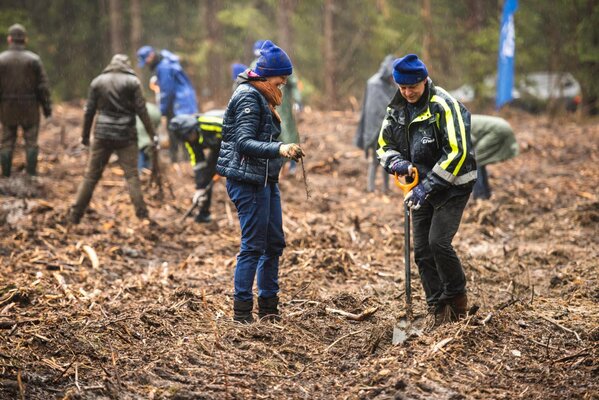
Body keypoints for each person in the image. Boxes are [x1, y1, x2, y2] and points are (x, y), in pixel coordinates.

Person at [376, 54, 477, 325]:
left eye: (413, 87)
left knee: (438, 242)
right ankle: (436, 307)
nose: (408, 93)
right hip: (418, 187)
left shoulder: (444, 104)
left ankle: (456, 299)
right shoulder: (395, 109)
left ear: (424, 81)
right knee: (422, 251)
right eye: (403, 87)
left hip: (453, 186)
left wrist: (427, 187)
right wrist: (396, 162)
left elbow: (458, 151)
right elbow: (383, 146)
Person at [217, 40, 304, 323]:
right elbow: (243, 143)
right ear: (267, 74)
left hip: (265, 179)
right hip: (247, 181)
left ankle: (269, 309)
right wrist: (279, 149)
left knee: (274, 243)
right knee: (253, 246)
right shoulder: (247, 97)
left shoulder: (263, 94)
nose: (284, 82)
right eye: (282, 77)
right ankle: (242, 313)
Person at [68, 54, 156, 225]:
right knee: (132, 176)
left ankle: (74, 216)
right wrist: (152, 135)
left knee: (90, 176)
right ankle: (143, 216)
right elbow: (142, 111)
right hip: (126, 136)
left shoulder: (98, 81)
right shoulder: (133, 82)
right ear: (126, 66)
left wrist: (85, 137)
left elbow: (89, 111)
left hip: (102, 135)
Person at [0, 24, 52, 177]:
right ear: (25, 40)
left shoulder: (1, 60)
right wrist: (47, 108)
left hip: (7, 107)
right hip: (30, 107)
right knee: (31, 142)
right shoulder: (34, 60)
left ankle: (6, 175)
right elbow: (43, 87)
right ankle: (31, 175)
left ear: (10, 39)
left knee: (7, 142)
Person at [136, 45, 198, 163]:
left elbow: (167, 91)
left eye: (146, 61)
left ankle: (181, 161)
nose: (147, 64)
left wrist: (161, 111)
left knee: (179, 129)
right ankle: (182, 160)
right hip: (183, 100)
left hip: (179, 103)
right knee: (182, 129)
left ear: (151, 55)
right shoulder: (166, 61)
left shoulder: (163, 67)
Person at [251, 40, 303, 176]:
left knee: (288, 132)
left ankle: (291, 164)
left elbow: (293, 82)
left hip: (284, 106)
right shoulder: (254, 68)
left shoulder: (280, 64)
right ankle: (276, 166)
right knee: (273, 135)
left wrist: (297, 100)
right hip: (267, 106)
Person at [168, 110, 224, 223]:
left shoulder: (210, 123)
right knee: (207, 174)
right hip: (219, 147)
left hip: (237, 141)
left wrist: (230, 159)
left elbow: (236, 131)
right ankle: (204, 214)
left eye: (191, 133)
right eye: (188, 136)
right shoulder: (189, 142)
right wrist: (200, 188)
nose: (191, 137)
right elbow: (198, 164)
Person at [354, 55, 396, 193]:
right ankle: (370, 188)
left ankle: (385, 188)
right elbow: (370, 109)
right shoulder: (373, 84)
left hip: (387, 129)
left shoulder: (391, 86)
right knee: (375, 159)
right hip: (374, 129)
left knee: (387, 159)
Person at [470, 114, 519, 200]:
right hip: (503, 124)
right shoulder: (462, 118)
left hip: (499, 129)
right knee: (479, 161)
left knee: (476, 160)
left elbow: (471, 140)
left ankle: (480, 195)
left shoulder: (457, 125)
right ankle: (485, 193)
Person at [137, 101, 161, 171]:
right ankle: (147, 170)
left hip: (140, 135)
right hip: (148, 135)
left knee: (141, 153)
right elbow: (157, 119)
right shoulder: (152, 109)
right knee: (148, 152)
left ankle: (141, 171)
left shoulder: (139, 107)